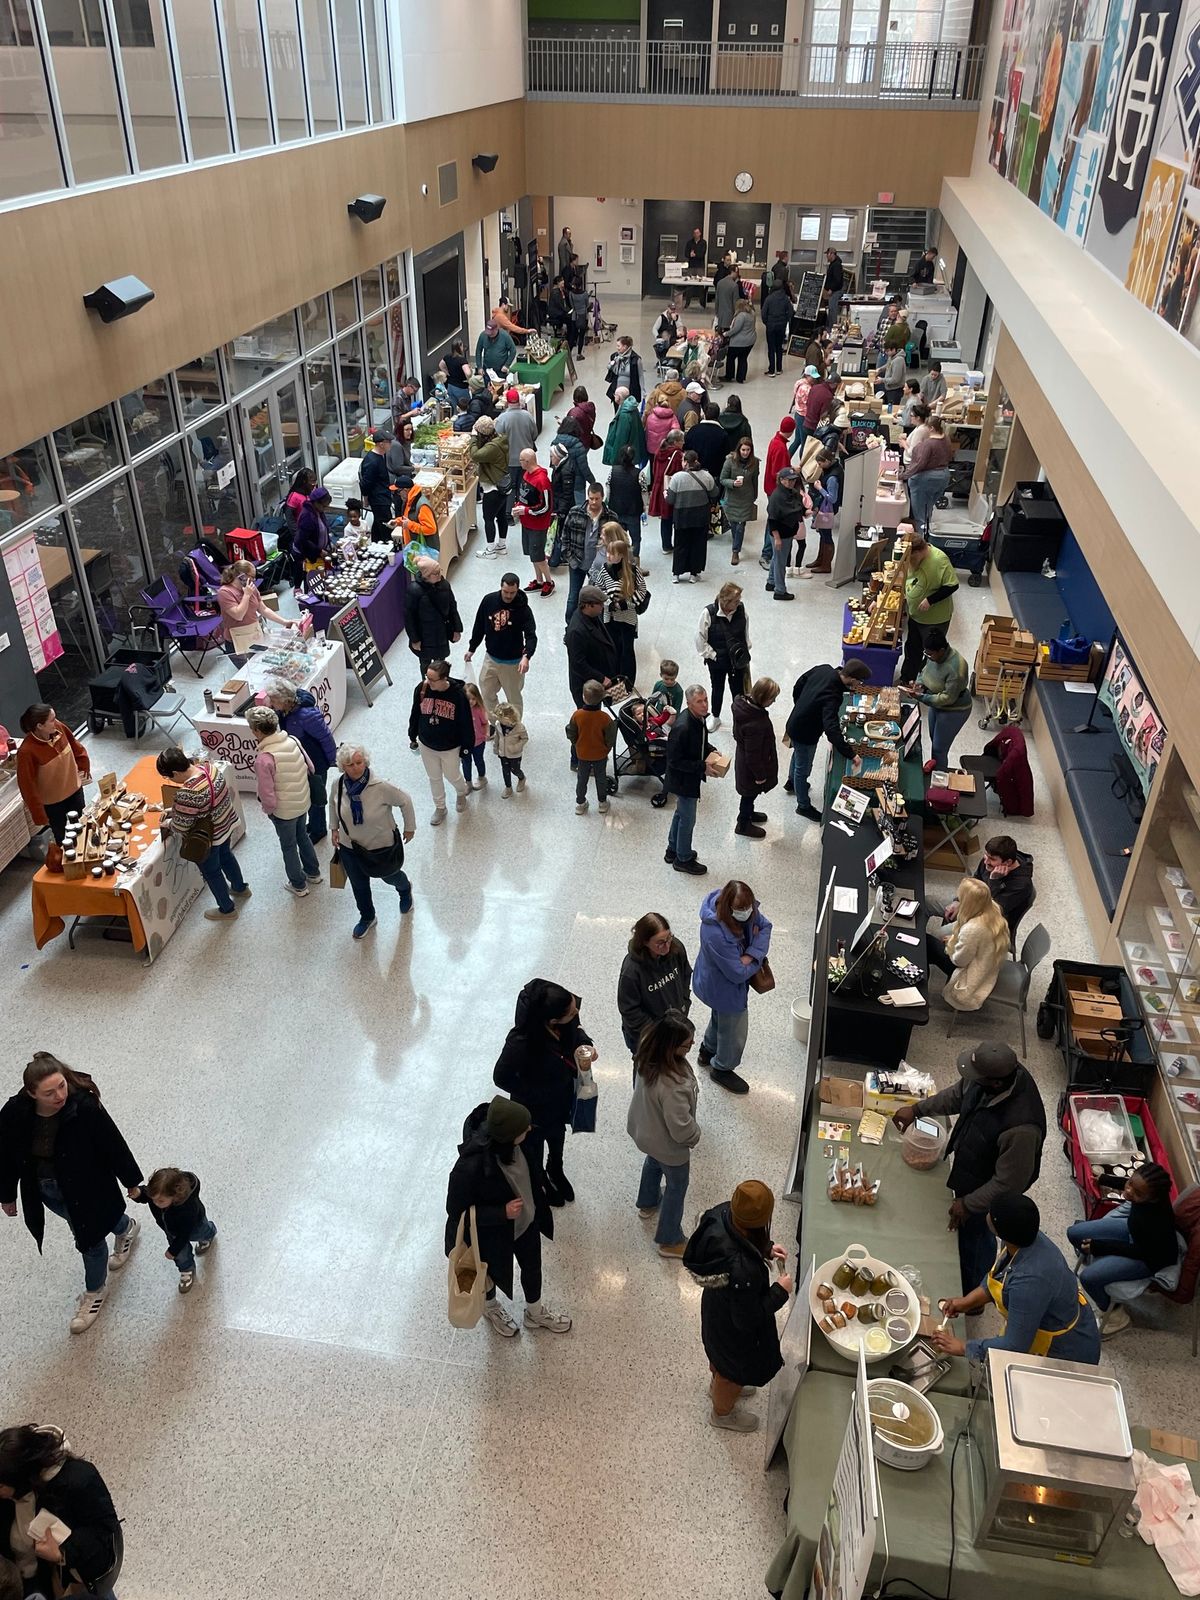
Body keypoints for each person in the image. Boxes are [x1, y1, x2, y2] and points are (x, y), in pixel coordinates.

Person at [0, 1053, 142, 1336]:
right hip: (47, 1190)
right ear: (31, 1093)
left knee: (89, 1239)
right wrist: (6, 1194)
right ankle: (126, 1227)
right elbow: (5, 1155)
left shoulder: (84, 1107)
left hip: (88, 1185)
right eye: (49, 1092)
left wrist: (132, 1182)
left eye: (62, 1086)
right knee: (98, 1220)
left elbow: (113, 1143)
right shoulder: (15, 1112)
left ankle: (95, 1291)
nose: (59, 1096)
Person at [893, 1042, 1047, 1295]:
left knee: (976, 1238)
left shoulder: (1021, 1129)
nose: (970, 1080)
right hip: (974, 1165)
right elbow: (957, 1095)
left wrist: (969, 1204)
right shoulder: (991, 1079)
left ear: (996, 1083)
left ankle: (973, 1292)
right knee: (964, 1229)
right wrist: (918, 1109)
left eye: (976, 1077)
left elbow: (1008, 1184)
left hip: (990, 1189)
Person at [445, 1096, 570, 1338]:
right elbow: (456, 1212)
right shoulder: (470, 1168)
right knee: (489, 1275)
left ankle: (535, 1313)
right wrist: (500, 1212)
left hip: (527, 1224)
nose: (530, 1129)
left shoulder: (524, 1142)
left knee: (533, 1269)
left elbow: (533, 1170)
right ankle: (491, 1308)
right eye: (524, 1128)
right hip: (492, 1236)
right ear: (508, 1136)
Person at [931, 1193, 1100, 1365]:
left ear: (998, 1229)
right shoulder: (1020, 1238)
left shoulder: (1029, 1283)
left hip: (1062, 1353)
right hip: (1036, 1321)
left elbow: (1014, 1346)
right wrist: (966, 1302)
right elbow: (1000, 1277)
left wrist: (964, 1347)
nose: (987, 1213)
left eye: (991, 1211)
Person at [683, 1180, 791, 1432]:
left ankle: (719, 1383)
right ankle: (722, 1412)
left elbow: (738, 1236)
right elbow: (748, 1319)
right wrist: (780, 1291)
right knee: (730, 1373)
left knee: (719, 1360)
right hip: (733, 1331)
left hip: (716, 1311)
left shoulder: (721, 1215)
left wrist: (765, 1248)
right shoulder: (745, 1272)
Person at [493, 979, 596, 1206]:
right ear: (552, 1020)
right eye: (570, 1012)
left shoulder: (565, 1012)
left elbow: (576, 1031)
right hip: (534, 1109)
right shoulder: (520, 1042)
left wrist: (584, 1044)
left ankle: (555, 1168)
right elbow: (500, 1077)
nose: (576, 1011)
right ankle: (540, 1180)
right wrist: (538, 1093)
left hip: (561, 1099)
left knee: (558, 1136)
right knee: (534, 1148)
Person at [0, 1424, 122, 1595]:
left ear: (21, 1479)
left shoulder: (78, 1480)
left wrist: (63, 1553)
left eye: (1, 1486)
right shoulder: (9, 1491)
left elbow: (103, 1537)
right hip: (23, 1580)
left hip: (73, 1576)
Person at [1067, 1163, 1180, 1333]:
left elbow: (1140, 1251)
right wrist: (1106, 1179)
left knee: (1088, 1278)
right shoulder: (1147, 1192)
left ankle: (1116, 1316)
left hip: (1148, 1258)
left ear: (1152, 1198)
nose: (1128, 1192)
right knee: (1075, 1233)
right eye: (1130, 1184)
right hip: (1134, 1233)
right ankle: (1094, 1259)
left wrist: (1100, 1247)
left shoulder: (1155, 1221)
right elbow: (1134, 1185)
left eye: (1138, 1193)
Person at [628, 1014, 700, 1260]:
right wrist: (695, 1135)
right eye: (686, 1044)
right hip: (669, 1145)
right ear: (672, 1047)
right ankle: (669, 1239)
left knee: (653, 1162)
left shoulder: (647, 1053)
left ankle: (647, 1202)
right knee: (677, 1185)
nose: (691, 1046)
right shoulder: (674, 1086)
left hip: (645, 1131)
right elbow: (680, 1128)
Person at [328, 740, 416, 938]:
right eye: (350, 765)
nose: (356, 767)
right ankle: (367, 916)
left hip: (380, 846)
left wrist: (409, 828)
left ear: (365, 762)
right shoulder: (338, 784)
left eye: (359, 762)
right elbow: (333, 805)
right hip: (350, 846)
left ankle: (404, 888)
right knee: (359, 884)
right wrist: (334, 828)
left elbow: (405, 800)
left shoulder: (381, 786)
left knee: (389, 876)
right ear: (343, 767)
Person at [692, 879, 771, 1095]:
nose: (747, 912)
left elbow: (765, 926)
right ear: (728, 907)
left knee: (720, 1019)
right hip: (722, 988)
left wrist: (750, 954)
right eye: (742, 909)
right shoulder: (714, 933)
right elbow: (736, 973)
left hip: (719, 985)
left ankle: (707, 1051)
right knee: (734, 1030)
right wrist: (755, 960)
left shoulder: (745, 908)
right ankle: (722, 1068)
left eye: (749, 908)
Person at [155, 745, 247, 921]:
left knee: (212, 873)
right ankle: (240, 887)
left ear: (175, 772)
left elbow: (181, 826)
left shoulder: (188, 792)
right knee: (227, 857)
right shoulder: (210, 768)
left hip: (209, 838)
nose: (170, 780)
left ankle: (227, 909)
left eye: (168, 776)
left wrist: (167, 821)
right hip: (225, 824)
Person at [246, 705, 321, 896]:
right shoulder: (293, 740)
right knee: (303, 836)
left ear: (257, 731)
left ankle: (298, 885)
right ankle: (314, 873)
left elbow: (267, 792)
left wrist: (269, 810)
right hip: (303, 801)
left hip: (283, 811)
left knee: (288, 846)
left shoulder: (264, 759)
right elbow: (310, 767)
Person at [785, 659, 869, 821]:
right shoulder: (833, 695)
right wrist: (851, 754)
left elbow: (799, 684)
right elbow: (831, 729)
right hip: (806, 733)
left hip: (795, 722)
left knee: (797, 754)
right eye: (860, 681)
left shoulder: (824, 669)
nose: (860, 684)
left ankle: (791, 783)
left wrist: (800, 705)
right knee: (803, 769)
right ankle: (803, 806)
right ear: (852, 679)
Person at [16, 704, 90, 871]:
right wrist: (38, 813)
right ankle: (71, 868)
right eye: (51, 720)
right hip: (54, 803)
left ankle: (87, 857)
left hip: (74, 790)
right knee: (63, 836)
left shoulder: (59, 728)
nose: (56, 722)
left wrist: (83, 760)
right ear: (39, 726)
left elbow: (74, 743)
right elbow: (27, 785)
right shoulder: (27, 752)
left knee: (82, 825)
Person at [407, 659, 474, 826]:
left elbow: (466, 722)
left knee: (452, 775)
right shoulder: (422, 689)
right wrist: (412, 733)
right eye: (427, 677)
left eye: (432, 679)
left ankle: (461, 791)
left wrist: (466, 747)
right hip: (427, 744)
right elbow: (415, 712)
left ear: (444, 678)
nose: (428, 682)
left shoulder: (458, 695)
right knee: (434, 777)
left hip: (450, 746)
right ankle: (440, 807)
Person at [131, 1166, 217, 1295]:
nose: (155, 1203)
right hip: (171, 1229)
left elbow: (185, 1233)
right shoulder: (159, 1195)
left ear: (175, 1196)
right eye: (153, 1199)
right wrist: (138, 1194)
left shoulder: (188, 1209)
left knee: (201, 1233)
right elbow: (146, 1194)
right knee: (180, 1254)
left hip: (193, 1226)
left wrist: (173, 1250)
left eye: (160, 1201)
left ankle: (209, 1233)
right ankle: (186, 1269)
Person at [664, 683, 722, 876]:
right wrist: (702, 766)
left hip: (687, 778)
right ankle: (683, 858)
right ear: (689, 703)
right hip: (683, 780)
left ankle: (673, 849)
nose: (705, 705)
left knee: (680, 814)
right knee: (688, 819)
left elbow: (699, 742)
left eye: (705, 699)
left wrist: (710, 750)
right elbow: (674, 761)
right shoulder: (683, 727)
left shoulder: (698, 719)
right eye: (699, 701)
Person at [927, 877, 1010, 1009]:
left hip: (969, 971)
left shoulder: (973, 929)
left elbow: (959, 961)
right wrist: (957, 939)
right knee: (930, 944)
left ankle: (919, 993)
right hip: (987, 962)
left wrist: (952, 943)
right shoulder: (993, 909)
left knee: (927, 944)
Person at [617, 913, 693, 1057]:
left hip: (675, 1027)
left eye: (669, 938)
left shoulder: (676, 948)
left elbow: (685, 976)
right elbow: (629, 1010)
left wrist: (684, 1002)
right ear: (645, 942)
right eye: (660, 942)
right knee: (647, 1073)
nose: (667, 946)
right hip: (647, 1036)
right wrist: (657, 1032)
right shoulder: (631, 970)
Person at [465, 571, 537, 719]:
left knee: (514, 698)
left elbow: (531, 635)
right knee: (486, 692)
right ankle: (493, 724)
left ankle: (513, 729)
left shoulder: (523, 609)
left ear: (517, 590)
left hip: (513, 663)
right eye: (506, 592)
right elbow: (479, 626)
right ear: (500, 587)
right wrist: (472, 648)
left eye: (512, 592)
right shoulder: (488, 601)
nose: (509, 596)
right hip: (491, 658)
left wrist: (526, 656)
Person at [940, 836, 1035, 944]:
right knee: (928, 903)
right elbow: (975, 880)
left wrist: (994, 880)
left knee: (939, 934)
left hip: (988, 922)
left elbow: (992, 909)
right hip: (972, 904)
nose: (986, 861)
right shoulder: (989, 859)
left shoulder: (1021, 885)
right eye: (986, 855)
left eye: (992, 859)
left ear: (1008, 862)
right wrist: (958, 900)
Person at [587, 529, 647, 689]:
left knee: (627, 650)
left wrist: (627, 604)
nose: (608, 556)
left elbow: (642, 591)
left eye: (612, 554)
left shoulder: (633, 571)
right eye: (608, 553)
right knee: (612, 650)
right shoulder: (605, 570)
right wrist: (608, 603)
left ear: (621, 555)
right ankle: (614, 680)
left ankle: (628, 683)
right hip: (610, 617)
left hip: (627, 618)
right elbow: (598, 589)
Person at [904, 628, 971, 770]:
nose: (927, 657)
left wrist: (922, 697)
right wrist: (919, 683)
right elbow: (925, 671)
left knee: (939, 749)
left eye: (930, 654)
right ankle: (934, 768)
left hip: (953, 710)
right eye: (926, 653)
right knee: (934, 739)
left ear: (941, 650)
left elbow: (948, 698)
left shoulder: (956, 669)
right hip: (935, 703)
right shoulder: (933, 656)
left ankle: (939, 778)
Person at [900, 532, 958, 681]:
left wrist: (930, 600)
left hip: (934, 620)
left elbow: (952, 585)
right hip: (916, 616)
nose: (910, 561)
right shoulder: (913, 558)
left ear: (919, 551)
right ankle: (907, 679)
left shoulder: (939, 560)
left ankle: (925, 683)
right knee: (912, 649)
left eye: (912, 557)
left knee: (931, 653)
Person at [215, 560, 296, 662]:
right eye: (252, 576)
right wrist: (247, 595)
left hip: (254, 634)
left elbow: (264, 609)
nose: (253, 580)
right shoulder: (225, 592)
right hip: (237, 640)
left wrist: (284, 622)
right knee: (247, 671)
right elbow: (238, 615)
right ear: (242, 575)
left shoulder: (251, 588)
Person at [696, 582, 750, 727]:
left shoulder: (741, 610)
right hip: (717, 662)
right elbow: (700, 640)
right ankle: (715, 716)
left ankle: (738, 719)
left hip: (737, 662)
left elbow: (745, 634)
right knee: (717, 688)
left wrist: (745, 652)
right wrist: (714, 656)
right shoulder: (708, 613)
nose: (739, 603)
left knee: (738, 691)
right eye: (736, 601)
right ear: (725, 601)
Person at [732, 677, 780, 839]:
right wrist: (760, 776)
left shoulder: (743, 707)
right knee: (748, 795)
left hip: (743, 761)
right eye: (772, 698)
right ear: (761, 697)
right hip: (751, 769)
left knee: (749, 794)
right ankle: (743, 824)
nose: (773, 702)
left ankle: (749, 813)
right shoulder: (756, 723)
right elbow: (753, 756)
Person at [559, 482, 613, 623]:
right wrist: (569, 557)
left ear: (602, 497)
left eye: (597, 498)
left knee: (598, 598)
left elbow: (617, 541)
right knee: (573, 596)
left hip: (599, 566)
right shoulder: (575, 512)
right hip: (577, 561)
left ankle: (596, 626)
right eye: (591, 498)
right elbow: (565, 536)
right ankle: (570, 626)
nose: (594, 502)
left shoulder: (610, 517)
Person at [404, 555, 464, 674]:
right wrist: (415, 639)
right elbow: (409, 617)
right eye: (435, 573)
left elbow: (452, 606)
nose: (439, 575)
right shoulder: (414, 590)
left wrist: (457, 629)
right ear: (426, 575)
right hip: (424, 635)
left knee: (441, 665)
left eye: (439, 571)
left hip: (441, 633)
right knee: (425, 665)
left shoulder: (444, 585)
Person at [567, 679, 617, 815]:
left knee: (582, 780)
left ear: (583, 697)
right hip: (600, 755)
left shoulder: (577, 715)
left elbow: (571, 732)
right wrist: (606, 748)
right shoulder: (605, 718)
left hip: (582, 754)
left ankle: (580, 803)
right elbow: (610, 737)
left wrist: (577, 744)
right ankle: (602, 802)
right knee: (601, 778)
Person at [900, 416, 955, 538]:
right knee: (928, 508)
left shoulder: (928, 444)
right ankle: (928, 535)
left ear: (931, 428)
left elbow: (919, 464)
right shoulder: (946, 439)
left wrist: (903, 475)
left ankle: (921, 540)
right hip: (943, 475)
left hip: (925, 479)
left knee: (919, 514)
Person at [564, 584, 619, 708]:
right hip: (586, 688)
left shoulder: (592, 616)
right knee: (590, 718)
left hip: (596, 680)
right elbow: (578, 664)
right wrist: (601, 678)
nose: (602, 606)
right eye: (599, 603)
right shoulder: (576, 631)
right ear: (588, 605)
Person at [666, 449, 716, 585]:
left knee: (680, 545)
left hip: (682, 517)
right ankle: (694, 574)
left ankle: (676, 573)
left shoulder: (677, 478)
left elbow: (670, 500)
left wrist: (666, 494)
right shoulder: (707, 476)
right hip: (700, 517)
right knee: (698, 545)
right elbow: (714, 493)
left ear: (686, 462)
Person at [512, 447, 555, 597]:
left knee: (539, 555)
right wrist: (518, 506)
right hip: (527, 522)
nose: (519, 463)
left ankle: (549, 581)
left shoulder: (542, 481)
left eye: (521, 460)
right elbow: (523, 495)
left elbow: (546, 506)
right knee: (532, 554)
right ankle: (539, 580)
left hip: (538, 525)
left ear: (528, 461)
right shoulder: (526, 474)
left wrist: (527, 511)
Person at [495, 387, 538, 525]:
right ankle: (523, 511)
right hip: (527, 460)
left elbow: (497, 441)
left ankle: (509, 515)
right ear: (519, 401)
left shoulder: (502, 419)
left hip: (510, 460)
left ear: (507, 402)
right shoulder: (528, 416)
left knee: (511, 487)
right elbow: (535, 435)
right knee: (524, 485)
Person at [470, 414, 511, 557]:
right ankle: (502, 545)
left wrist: (473, 438)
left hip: (492, 488)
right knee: (501, 517)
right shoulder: (501, 439)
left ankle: (490, 550)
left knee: (488, 519)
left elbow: (475, 455)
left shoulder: (491, 447)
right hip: (503, 485)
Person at [764, 464, 806, 601]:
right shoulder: (777, 497)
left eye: (793, 479)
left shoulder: (791, 492)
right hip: (781, 534)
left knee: (777, 558)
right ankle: (780, 591)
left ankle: (771, 582)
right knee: (781, 562)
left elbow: (798, 506)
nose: (791, 482)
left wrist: (806, 512)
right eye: (788, 480)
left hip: (788, 532)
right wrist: (777, 539)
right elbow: (772, 520)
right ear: (781, 480)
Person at [719, 436, 759, 566]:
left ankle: (735, 550)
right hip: (732, 497)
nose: (745, 452)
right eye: (743, 450)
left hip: (746, 497)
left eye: (748, 450)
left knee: (741, 526)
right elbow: (722, 479)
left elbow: (754, 480)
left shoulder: (754, 463)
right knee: (734, 524)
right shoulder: (730, 461)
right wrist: (732, 483)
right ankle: (736, 542)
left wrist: (754, 495)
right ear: (739, 449)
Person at [606, 444, 646, 565]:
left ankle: (619, 562)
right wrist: (645, 507)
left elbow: (608, 488)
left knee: (618, 538)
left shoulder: (613, 471)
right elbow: (644, 492)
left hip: (616, 510)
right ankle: (634, 563)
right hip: (633, 511)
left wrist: (609, 503)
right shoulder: (639, 473)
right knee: (636, 539)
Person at [648, 427, 684, 555]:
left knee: (665, 518)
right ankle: (679, 545)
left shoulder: (659, 451)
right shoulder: (677, 455)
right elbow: (680, 474)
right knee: (676, 518)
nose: (683, 443)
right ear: (675, 442)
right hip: (672, 489)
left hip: (659, 487)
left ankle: (666, 545)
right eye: (681, 440)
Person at [392, 468, 439, 554]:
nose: (397, 495)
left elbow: (431, 529)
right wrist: (398, 521)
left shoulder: (422, 506)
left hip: (424, 552)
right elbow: (408, 517)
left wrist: (410, 525)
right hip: (414, 548)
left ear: (405, 490)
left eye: (398, 492)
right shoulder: (409, 500)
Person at [602, 387, 647, 470]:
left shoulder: (624, 415)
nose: (614, 396)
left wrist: (614, 458)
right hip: (633, 448)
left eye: (615, 395)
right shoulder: (632, 408)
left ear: (618, 397)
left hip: (625, 454)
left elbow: (621, 438)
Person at [358, 430, 394, 533]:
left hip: (383, 495)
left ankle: (376, 542)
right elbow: (366, 483)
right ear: (381, 444)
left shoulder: (381, 456)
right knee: (385, 526)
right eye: (388, 442)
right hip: (379, 499)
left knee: (378, 525)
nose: (390, 444)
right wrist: (366, 498)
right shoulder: (372, 461)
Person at [492, 702, 529, 797]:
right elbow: (497, 736)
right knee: (505, 770)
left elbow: (525, 738)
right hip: (503, 753)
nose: (499, 720)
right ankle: (508, 787)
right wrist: (495, 747)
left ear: (508, 718)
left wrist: (516, 747)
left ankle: (522, 778)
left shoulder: (519, 728)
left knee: (515, 770)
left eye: (501, 719)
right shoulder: (498, 724)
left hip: (514, 754)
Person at [684, 402, 728, 481]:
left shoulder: (693, 430)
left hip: (693, 474)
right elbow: (725, 455)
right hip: (714, 474)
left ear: (704, 414)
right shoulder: (723, 434)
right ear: (718, 416)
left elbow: (686, 449)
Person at [761, 278, 794, 376]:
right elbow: (791, 311)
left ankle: (771, 370)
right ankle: (779, 368)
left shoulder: (769, 298)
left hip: (771, 325)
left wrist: (766, 322)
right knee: (779, 347)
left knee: (771, 348)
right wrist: (786, 320)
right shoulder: (785, 298)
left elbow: (763, 313)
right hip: (781, 325)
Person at [295, 483, 334, 566]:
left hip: (318, 552)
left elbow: (324, 528)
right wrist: (319, 551)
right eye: (324, 506)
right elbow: (304, 539)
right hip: (305, 555)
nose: (325, 509)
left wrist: (329, 543)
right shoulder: (307, 516)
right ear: (316, 503)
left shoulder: (319, 511)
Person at [461, 682, 489, 792]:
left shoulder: (479, 710)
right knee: (466, 763)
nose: (471, 701)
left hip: (479, 742)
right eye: (468, 699)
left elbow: (485, 723)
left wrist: (486, 733)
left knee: (479, 760)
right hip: (465, 743)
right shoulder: (460, 711)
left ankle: (482, 777)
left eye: (473, 698)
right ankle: (467, 782)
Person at [605, 334, 645, 408]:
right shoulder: (614, 357)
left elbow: (640, 375)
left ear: (625, 347)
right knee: (617, 412)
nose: (617, 348)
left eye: (618, 346)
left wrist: (642, 390)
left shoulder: (636, 359)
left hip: (631, 391)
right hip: (617, 392)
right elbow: (611, 371)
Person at [723, 301, 757, 383]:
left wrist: (726, 334)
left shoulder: (741, 316)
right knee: (743, 359)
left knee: (731, 358)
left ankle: (729, 376)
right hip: (750, 340)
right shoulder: (752, 313)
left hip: (739, 342)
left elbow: (736, 329)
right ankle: (740, 378)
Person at [644, 387, 679, 463]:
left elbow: (647, 433)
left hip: (652, 449)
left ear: (657, 403)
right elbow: (676, 433)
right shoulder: (672, 417)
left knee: (653, 468)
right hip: (666, 450)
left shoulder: (650, 416)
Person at [567, 384, 601, 450]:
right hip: (587, 440)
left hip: (576, 444)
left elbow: (569, 429)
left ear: (575, 398)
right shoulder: (591, 407)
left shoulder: (574, 412)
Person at [682, 225, 707, 307]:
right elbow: (686, 254)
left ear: (700, 234)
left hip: (700, 266)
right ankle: (687, 302)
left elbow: (702, 254)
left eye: (697, 233)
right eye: (694, 233)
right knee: (689, 284)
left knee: (701, 284)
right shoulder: (689, 243)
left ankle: (702, 303)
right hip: (691, 266)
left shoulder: (703, 243)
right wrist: (690, 254)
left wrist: (694, 255)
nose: (696, 234)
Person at [567, 277, 589, 356]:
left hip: (574, 315)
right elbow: (587, 304)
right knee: (582, 335)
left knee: (573, 334)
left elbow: (572, 305)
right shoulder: (585, 294)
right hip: (583, 315)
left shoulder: (571, 293)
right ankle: (579, 353)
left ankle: (569, 352)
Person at [823, 246, 845, 325]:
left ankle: (832, 327)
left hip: (836, 291)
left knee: (832, 310)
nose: (826, 256)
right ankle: (830, 326)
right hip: (834, 290)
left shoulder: (836, 265)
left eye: (827, 254)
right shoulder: (833, 264)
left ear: (832, 254)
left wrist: (831, 289)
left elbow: (837, 280)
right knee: (831, 309)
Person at [547, 273, 568, 338]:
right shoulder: (555, 292)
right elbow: (560, 304)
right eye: (562, 284)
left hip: (557, 311)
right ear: (558, 283)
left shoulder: (558, 291)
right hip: (555, 313)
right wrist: (567, 311)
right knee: (569, 319)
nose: (563, 285)